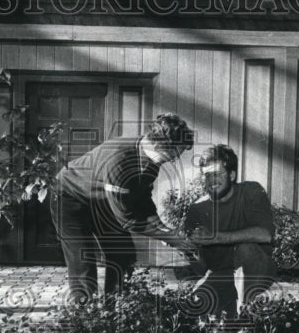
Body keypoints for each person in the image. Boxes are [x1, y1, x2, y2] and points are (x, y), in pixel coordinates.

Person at [49, 113, 194, 303]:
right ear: (158, 145)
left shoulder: (152, 160)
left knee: (122, 254)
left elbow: (143, 199)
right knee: (83, 262)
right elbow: (127, 219)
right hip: (68, 197)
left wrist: (163, 229)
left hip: (101, 199)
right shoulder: (120, 159)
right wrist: (167, 237)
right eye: (174, 154)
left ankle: (115, 309)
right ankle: (81, 314)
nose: (175, 159)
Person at [183, 144, 277, 319]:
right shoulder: (197, 209)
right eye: (206, 176)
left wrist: (216, 237)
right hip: (221, 274)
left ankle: (245, 315)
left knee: (246, 248)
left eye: (217, 174)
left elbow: (265, 234)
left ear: (232, 175)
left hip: (256, 268)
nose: (211, 181)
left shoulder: (250, 192)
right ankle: (229, 308)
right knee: (197, 302)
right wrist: (188, 248)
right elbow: (201, 268)